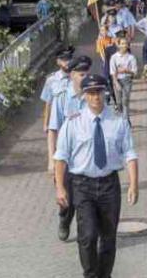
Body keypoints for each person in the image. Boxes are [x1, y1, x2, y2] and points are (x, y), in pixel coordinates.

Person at [54, 74, 138, 278]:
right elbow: (61, 157)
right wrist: (60, 187)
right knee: (88, 236)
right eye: (91, 93)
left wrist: (133, 184)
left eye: (99, 92)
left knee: (108, 238)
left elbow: (129, 153)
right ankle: (90, 274)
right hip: (82, 185)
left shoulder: (118, 121)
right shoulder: (73, 123)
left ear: (105, 93)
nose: (95, 97)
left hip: (109, 184)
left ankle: (104, 274)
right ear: (84, 96)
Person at [48, 55, 93, 242]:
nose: (85, 78)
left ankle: (87, 237)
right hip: (67, 159)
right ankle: (64, 220)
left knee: (87, 202)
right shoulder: (61, 98)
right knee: (67, 199)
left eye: (87, 74)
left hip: (87, 157)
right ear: (72, 75)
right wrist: (51, 160)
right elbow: (53, 130)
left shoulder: (94, 95)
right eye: (82, 74)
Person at [40, 47, 73, 172]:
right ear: (58, 62)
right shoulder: (51, 79)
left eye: (69, 59)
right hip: (56, 111)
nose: (67, 62)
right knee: (52, 131)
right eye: (64, 60)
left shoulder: (75, 77)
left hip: (71, 111)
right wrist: (45, 123)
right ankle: (51, 160)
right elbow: (48, 102)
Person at [110, 38, 138, 121]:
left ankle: (126, 121)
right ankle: (121, 119)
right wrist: (116, 83)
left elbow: (135, 72)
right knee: (119, 102)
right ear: (118, 45)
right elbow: (112, 71)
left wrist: (126, 70)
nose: (124, 45)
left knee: (125, 101)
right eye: (122, 43)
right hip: (117, 80)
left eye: (125, 43)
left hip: (127, 80)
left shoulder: (131, 57)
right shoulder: (114, 57)